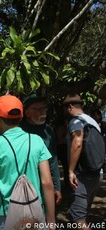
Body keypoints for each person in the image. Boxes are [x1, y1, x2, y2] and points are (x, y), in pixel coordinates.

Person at [0, 95, 55, 230]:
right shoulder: (37, 141)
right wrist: (51, 221)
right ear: (21, 117)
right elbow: (47, 183)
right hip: (36, 212)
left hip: (9, 215)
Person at [63, 94, 101, 229]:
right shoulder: (92, 121)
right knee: (83, 214)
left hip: (83, 175)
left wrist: (71, 170)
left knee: (78, 219)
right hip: (96, 172)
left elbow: (77, 143)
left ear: (70, 107)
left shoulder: (76, 121)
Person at [20, 94, 62, 205]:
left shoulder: (48, 131)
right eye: (38, 109)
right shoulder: (18, 129)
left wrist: (57, 187)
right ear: (27, 112)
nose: (43, 112)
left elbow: (52, 160)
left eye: (44, 109)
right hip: (20, 185)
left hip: (43, 185)